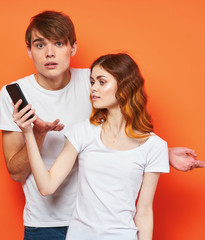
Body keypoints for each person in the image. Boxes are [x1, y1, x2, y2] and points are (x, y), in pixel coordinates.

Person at [0, 10, 205, 240]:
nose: (50, 53)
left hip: (105, 223)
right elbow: (17, 173)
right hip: (46, 221)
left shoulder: (93, 81)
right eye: (40, 45)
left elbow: (118, 132)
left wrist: (160, 153)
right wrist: (36, 133)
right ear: (29, 50)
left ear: (72, 48)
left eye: (58, 43)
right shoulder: (15, 96)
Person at [16, 53, 169, 240]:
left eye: (102, 82)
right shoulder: (83, 133)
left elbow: (144, 212)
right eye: (92, 81)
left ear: (125, 86)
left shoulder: (154, 146)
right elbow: (46, 186)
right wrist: (28, 132)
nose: (93, 88)